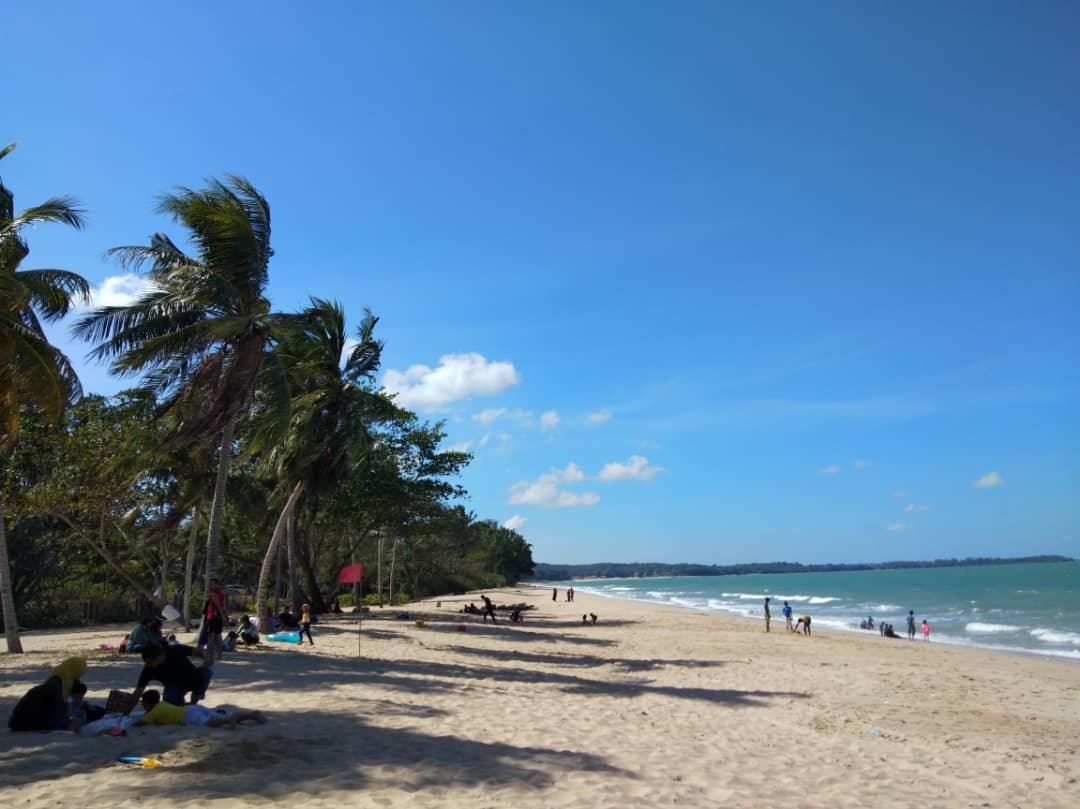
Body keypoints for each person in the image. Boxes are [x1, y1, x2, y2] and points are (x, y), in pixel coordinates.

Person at [127, 641, 213, 711]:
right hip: (173, 687)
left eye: (150, 662)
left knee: (206, 672)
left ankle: (193, 702)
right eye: (146, 662)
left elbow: (198, 652)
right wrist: (128, 710)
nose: (147, 664)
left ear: (160, 656)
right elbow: (138, 691)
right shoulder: (148, 670)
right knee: (171, 706)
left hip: (192, 678)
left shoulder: (175, 650)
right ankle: (181, 704)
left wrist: (206, 658)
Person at [8, 657, 88, 732]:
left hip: (20, 719)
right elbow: (57, 712)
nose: (79, 677)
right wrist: (70, 722)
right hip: (26, 721)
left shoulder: (61, 680)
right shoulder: (58, 686)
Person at [133, 689, 266, 728]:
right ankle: (251, 715)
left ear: (148, 704)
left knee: (210, 722)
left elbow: (139, 723)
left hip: (187, 716)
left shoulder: (154, 711)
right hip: (192, 708)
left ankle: (229, 719)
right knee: (214, 716)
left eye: (143, 704)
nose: (143, 706)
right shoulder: (162, 704)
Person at [201, 578, 229, 665]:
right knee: (218, 635)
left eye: (212, 584)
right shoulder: (221, 593)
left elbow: (218, 606)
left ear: (216, 584)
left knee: (211, 637)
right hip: (216, 617)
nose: (211, 585)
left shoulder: (214, 593)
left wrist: (222, 616)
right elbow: (223, 606)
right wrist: (223, 616)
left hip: (213, 617)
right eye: (210, 584)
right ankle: (219, 655)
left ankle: (209, 655)